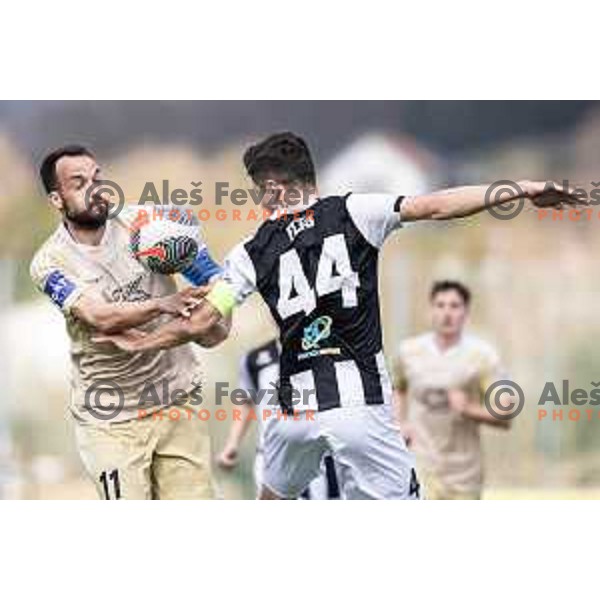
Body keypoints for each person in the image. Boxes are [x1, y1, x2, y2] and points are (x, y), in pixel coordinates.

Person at [96, 132, 579, 500]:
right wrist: (524, 188)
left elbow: (204, 323)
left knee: (274, 498)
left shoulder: (251, 249)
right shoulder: (355, 211)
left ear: (274, 188)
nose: (260, 202)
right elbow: (436, 206)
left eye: (260, 192)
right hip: (360, 407)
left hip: (290, 413)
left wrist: (144, 340)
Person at [29, 145, 226, 499]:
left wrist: (212, 310)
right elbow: (97, 316)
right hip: (110, 419)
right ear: (57, 200)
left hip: (177, 398)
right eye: (79, 183)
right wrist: (164, 304)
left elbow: (215, 280)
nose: (95, 189)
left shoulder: (146, 224)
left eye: (97, 178)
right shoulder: (49, 263)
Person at [393, 281, 510, 500]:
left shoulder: (483, 356)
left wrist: (468, 408)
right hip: (420, 467)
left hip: (463, 475)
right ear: (431, 310)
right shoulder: (408, 352)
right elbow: (397, 389)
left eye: (455, 306)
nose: (447, 313)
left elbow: (506, 414)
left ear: (466, 312)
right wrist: (400, 422)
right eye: (440, 305)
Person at [217, 338, 341, 499]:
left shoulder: (329, 349)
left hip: (318, 454)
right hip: (269, 455)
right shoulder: (255, 359)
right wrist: (232, 444)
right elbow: (246, 401)